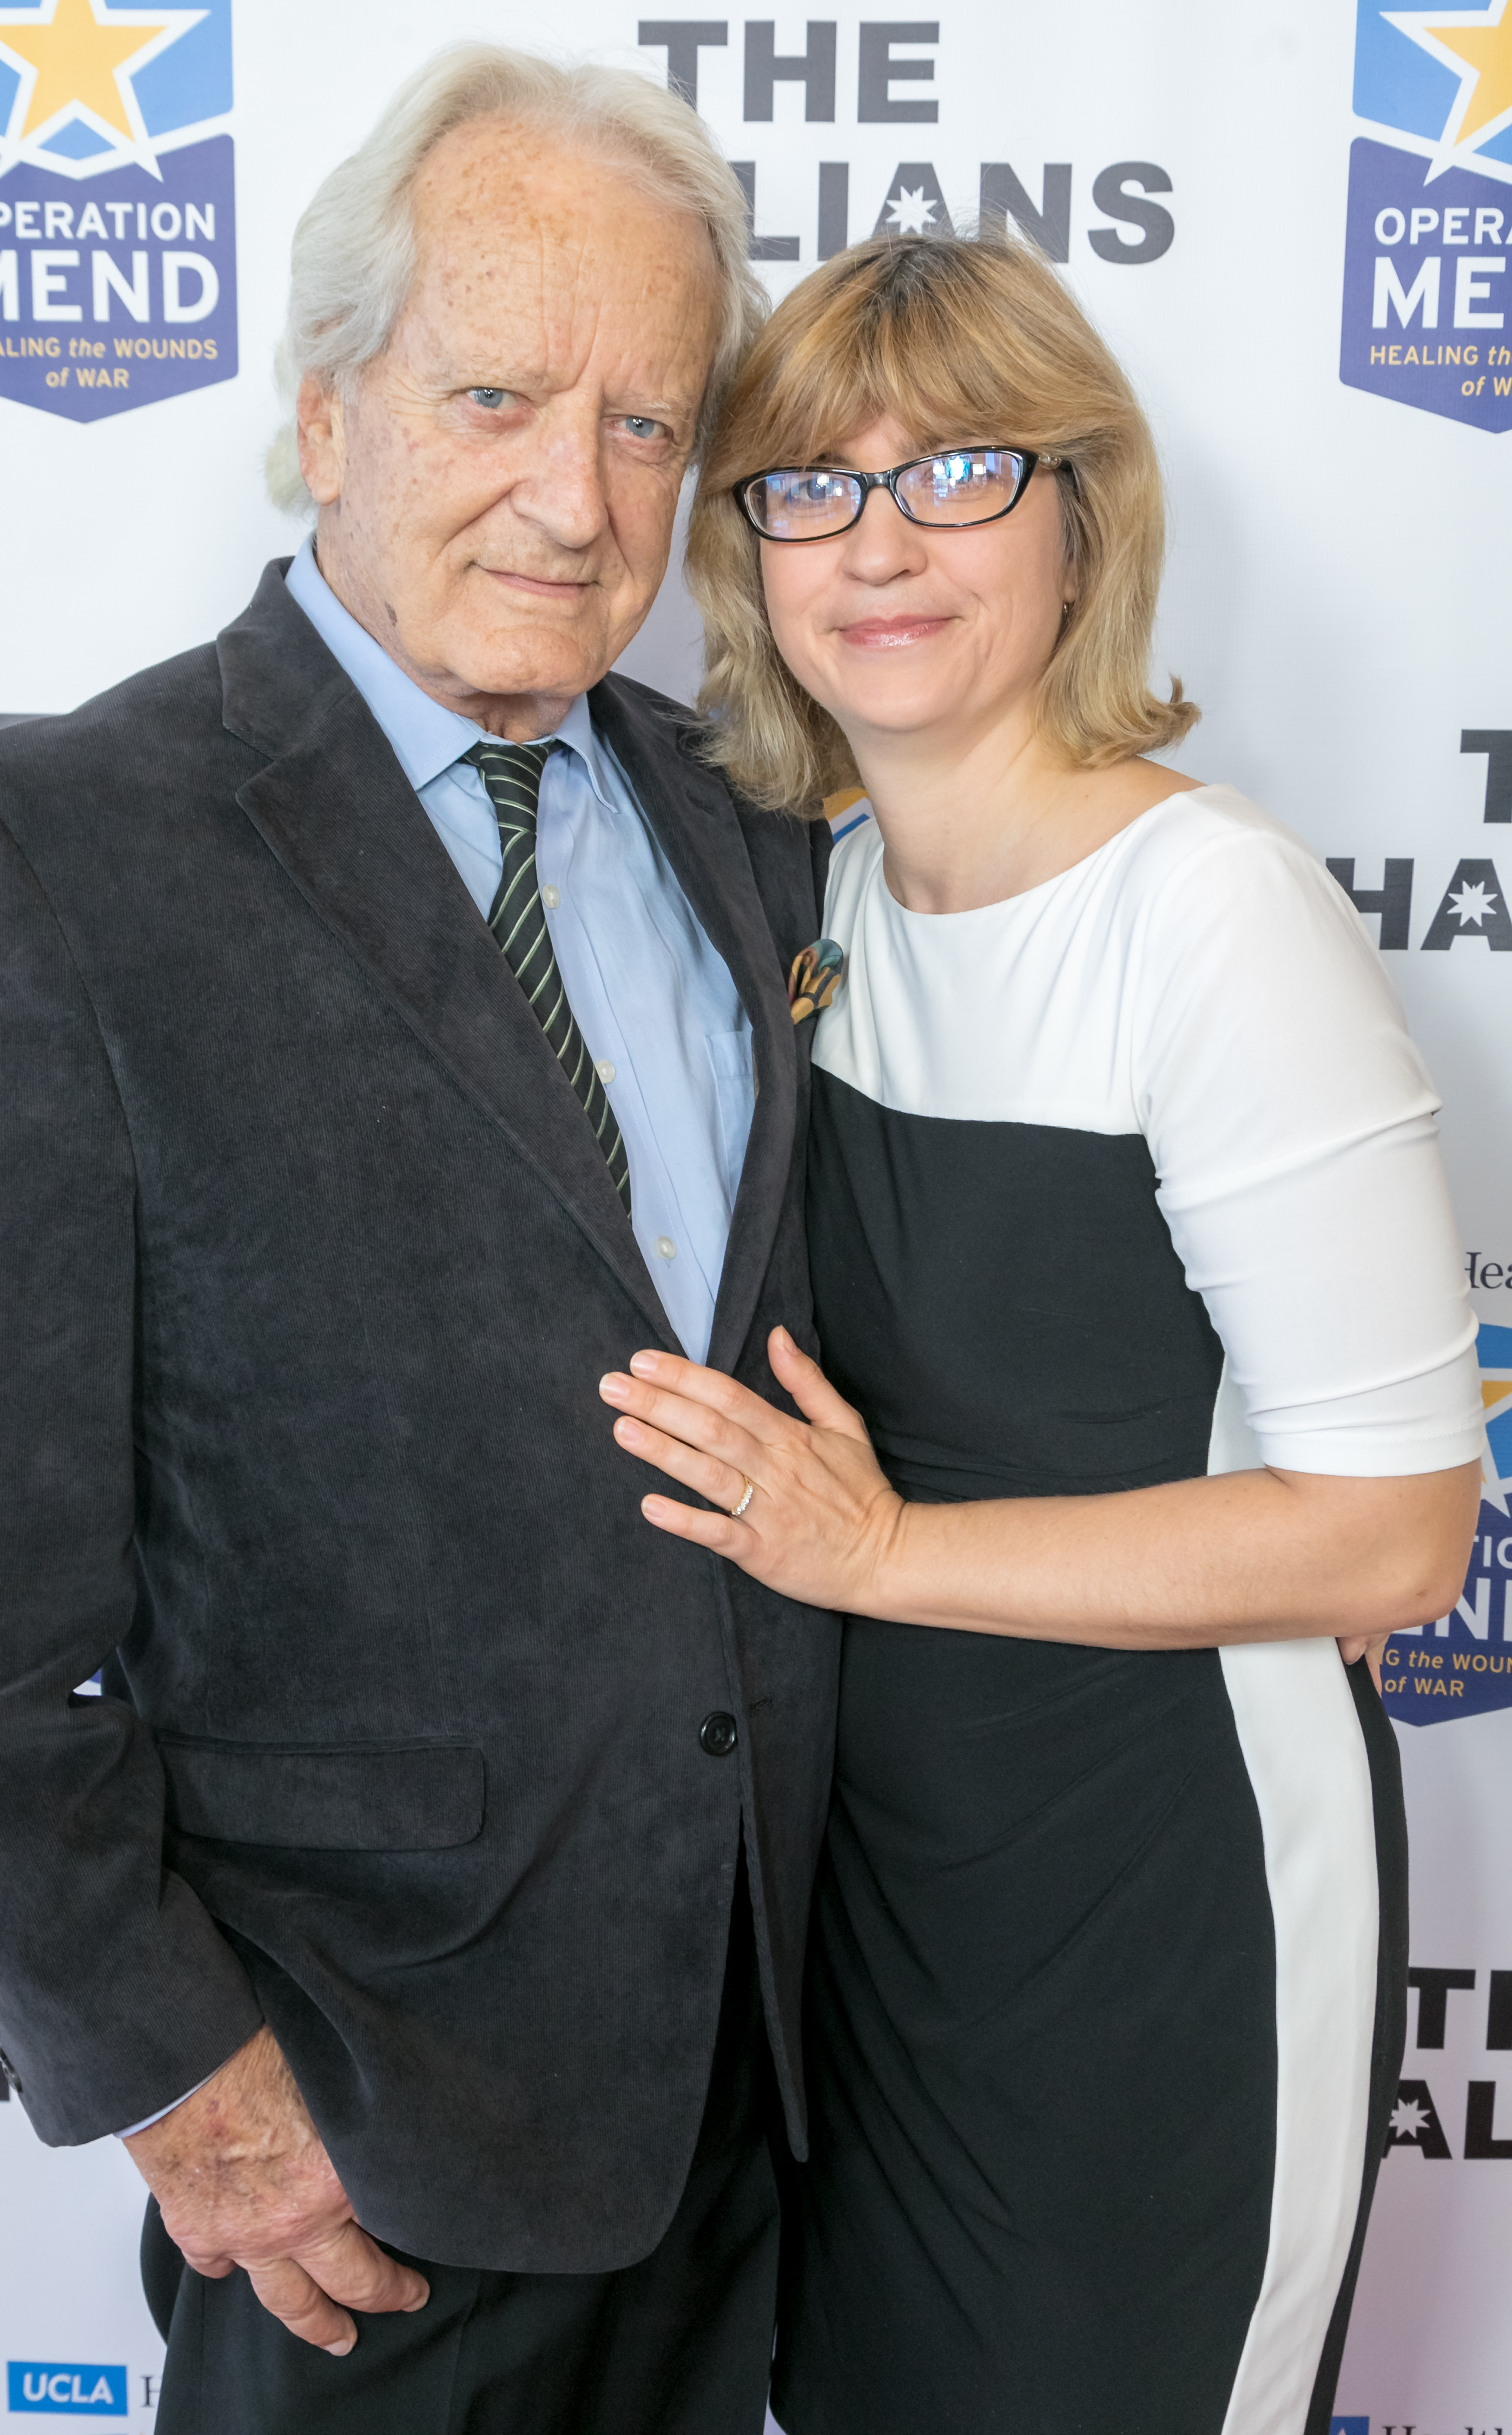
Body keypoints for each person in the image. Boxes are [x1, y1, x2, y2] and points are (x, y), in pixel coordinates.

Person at [0, 48, 839, 2435]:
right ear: (329, 414)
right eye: (498, 394)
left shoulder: (755, 825)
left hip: (787, 2102)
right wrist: (183, 2088)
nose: (574, 492)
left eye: (647, 422)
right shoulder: (56, 851)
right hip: (362, 2162)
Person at [598, 233, 1483, 2435]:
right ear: (751, 552)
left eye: (959, 474)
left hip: (1157, 1902)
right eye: (810, 486)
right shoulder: (810, 889)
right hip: (878, 1915)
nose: (878, 545)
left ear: (1084, 516)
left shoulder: (1212, 919)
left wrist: (884, 1559)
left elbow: (1395, 1544)